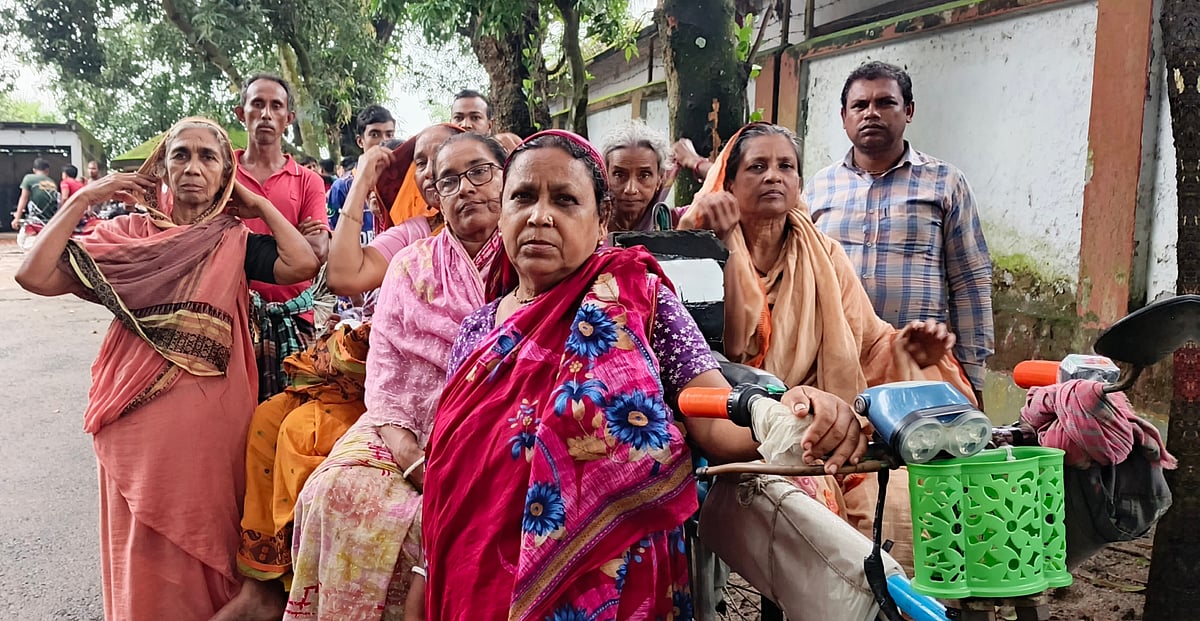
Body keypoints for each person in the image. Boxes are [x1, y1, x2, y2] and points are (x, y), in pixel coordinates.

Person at [419, 130, 866, 620]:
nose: (540, 216)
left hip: (611, 579)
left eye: (566, 200)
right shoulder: (478, 331)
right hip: (478, 574)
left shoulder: (640, 298)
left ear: (600, 219)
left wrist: (793, 412)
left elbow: (713, 415)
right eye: (523, 197)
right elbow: (451, 471)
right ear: (502, 212)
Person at [14, 117, 320, 620]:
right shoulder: (127, 236)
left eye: (208, 158)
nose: (193, 168)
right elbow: (34, 274)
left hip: (212, 418)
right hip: (132, 414)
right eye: (181, 155)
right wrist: (83, 199)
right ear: (162, 166)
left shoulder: (236, 241)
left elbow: (303, 263)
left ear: (226, 174)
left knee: (209, 529)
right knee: (141, 538)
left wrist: (259, 205)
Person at [680, 121, 978, 569]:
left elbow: (869, 343)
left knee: (909, 496)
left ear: (799, 181)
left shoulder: (825, 254)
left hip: (838, 425)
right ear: (728, 183)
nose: (773, 176)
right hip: (749, 434)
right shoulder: (696, 251)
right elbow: (733, 346)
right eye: (757, 167)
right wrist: (728, 245)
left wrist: (906, 351)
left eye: (786, 166)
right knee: (820, 511)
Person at [283, 132, 514, 620]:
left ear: (508, 177)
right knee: (331, 493)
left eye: (480, 172)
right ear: (434, 198)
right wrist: (411, 460)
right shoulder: (410, 263)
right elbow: (385, 374)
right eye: (448, 181)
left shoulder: (532, 253)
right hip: (403, 419)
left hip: (498, 428)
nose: (466, 189)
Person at [805, 61, 993, 403]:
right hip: (836, 367)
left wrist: (972, 377)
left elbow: (971, 281)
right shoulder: (819, 187)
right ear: (844, 117)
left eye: (885, 103)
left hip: (918, 366)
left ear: (908, 111)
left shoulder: (945, 183)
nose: (871, 113)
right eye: (860, 106)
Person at [234, 73, 331, 400]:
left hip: (295, 319)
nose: (265, 114)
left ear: (288, 118)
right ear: (240, 112)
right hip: (234, 318)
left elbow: (317, 253)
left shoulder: (308, 181)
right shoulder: (221, 173)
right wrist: (292, 241)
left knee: (292, 418)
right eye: (257, 104)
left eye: (276, 106)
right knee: (235, 422)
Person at [325, 123, 464, 297]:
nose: (428, 171)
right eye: (420, 163)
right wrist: (361, 183)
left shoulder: (500, 226)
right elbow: (343, 278)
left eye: (440, 157)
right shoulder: (413, 235)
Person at [328, 104, 397, 246]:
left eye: (389, 134)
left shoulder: (399, 180)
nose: (383, 141)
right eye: (374, 134)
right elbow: (332, 233)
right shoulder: (342, 187)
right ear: (360, 141)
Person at [600, 119, 684, 231]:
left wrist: (697, 164)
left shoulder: (673, 221)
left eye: (644, 176)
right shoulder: (591, 226)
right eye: (619, 175)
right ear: (606, 176)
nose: (630, 189)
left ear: (659, 179)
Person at [12, 158, 58, 226]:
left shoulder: (29, 178)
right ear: (47, 170)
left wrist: (17, 218)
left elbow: (24, 198)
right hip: (50, 221)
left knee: (22, 236)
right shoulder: (52, 182)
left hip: (36, 220)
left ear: (34, 170)